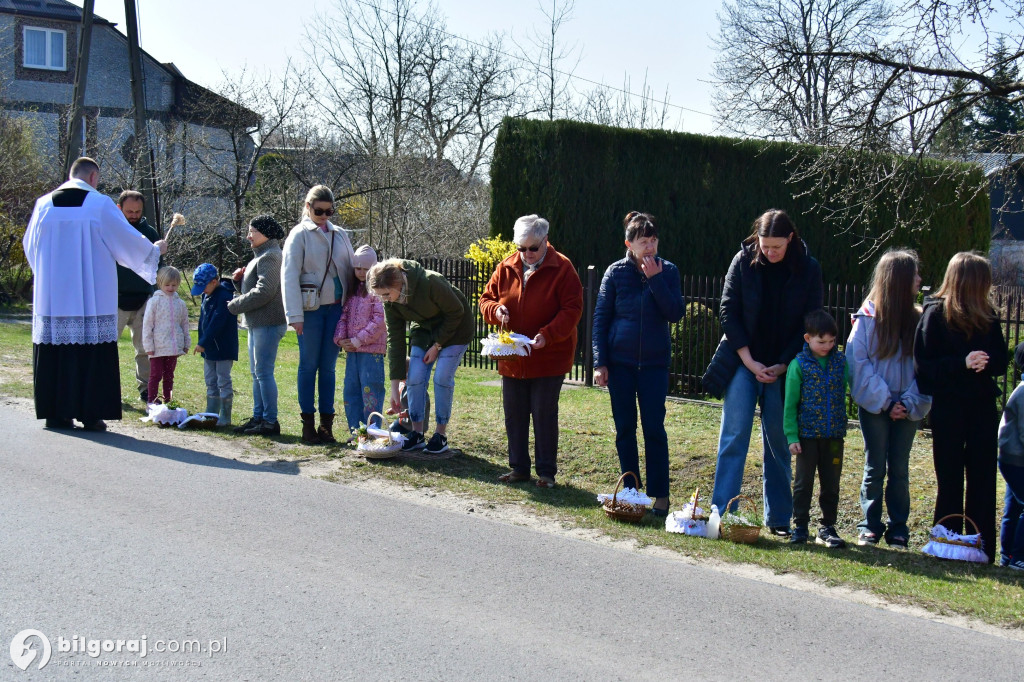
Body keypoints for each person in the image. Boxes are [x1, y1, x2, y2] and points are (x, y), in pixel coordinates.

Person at [22, 157, 167, 431]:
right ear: (92, 177)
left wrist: (48, 278)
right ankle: (90, 415)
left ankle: (56, 414)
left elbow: (30, 246)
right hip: (91, 298)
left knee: (56, 354)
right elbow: (126, 240)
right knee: (91, 353)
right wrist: (154, 250)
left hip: (52, 300)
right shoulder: (99, 204)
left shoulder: (43, 205)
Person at [705, 209, 823, 535]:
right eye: (764, 245)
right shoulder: (742, 262)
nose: (769, 252)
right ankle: (722, 514)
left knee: (779, 441)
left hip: (784, 368)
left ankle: (779, 519)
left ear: (790, 239)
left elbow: (811, 321)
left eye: (776, 247)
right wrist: (748, 360)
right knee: (733, 436)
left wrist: (784, 363)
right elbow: (728, 311)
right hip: (744, 362)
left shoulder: (809, 269)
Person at [914, 251, 1008, 564]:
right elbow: (924, 367)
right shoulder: (935, 313)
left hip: (981, 404)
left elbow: (1001, 357)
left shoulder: (987, 314)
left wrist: (986, 362)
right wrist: (962, 363)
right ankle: (947, 541)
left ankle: (981, 546)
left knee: (982, 477)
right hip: (949, 405)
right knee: (950, 476)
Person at [480, 214, 583, 488]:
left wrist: (547, 335)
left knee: (543, 413)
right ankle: (519, 469)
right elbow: (486, 299)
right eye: (521, 248)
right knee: (514, 414)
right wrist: (496, 310)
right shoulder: (506, 266)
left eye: (533, 248)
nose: (526, 254)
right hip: (513, 357)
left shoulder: (563, 268)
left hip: (548, 357)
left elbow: (572, 309)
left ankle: (546, 473)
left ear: (545, 240)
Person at [592, 211, 684, 515]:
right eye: (643, 241)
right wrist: (600, 362)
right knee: (625, 429)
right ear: (629, 243)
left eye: (653, 240)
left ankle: (660, 496)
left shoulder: (668, 271)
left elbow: (675, 313)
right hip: (620, 364)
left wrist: (656, 279)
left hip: (655, 366)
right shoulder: (615, 272)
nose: (650, 247)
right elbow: (600, 319)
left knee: (654, 429)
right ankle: (631, 491)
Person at [848, 249, 931, 549]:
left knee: (899, 467)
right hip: (875, 407)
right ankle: (869, 525)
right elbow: (858, 365)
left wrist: (907, 403)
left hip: (907, 407)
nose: (919, 279)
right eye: (914, 274)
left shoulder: (921, 320)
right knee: (875, 465)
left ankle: (899, 528)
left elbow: (926, 368)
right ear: (899, 280)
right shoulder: (867, 319)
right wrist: (885, 401)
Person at [367, 258, 474, 454]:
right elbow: (395, 339)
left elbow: (456, 312)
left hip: (456, 328)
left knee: (442, 377)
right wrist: (394, 387)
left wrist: (438, 345)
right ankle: (416, 433)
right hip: (424, 330)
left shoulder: (431, 282)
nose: (384, 299)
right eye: (380, 295)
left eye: (386, 294)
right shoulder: (390, 302)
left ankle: (440, 435)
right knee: (415, 377)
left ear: (398, 283)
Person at [281, 185, 355, 444]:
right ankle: (307, 425)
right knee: (308, 365)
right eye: (319, 211)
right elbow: (289, 276)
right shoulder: (298, 234)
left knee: (328, 368)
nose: (324, 216)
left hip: (336, 309)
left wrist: (353, 308)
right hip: (310, 310)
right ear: (308, 207)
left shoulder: (340, 234)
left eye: (329, 211)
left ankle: (326, 426)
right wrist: (295, 315)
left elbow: (351, 270)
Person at [783, 310, 850, 548]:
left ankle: (827, 526)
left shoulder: (840, 362)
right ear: (807, 338)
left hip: (834, 436)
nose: (827, 346)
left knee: (831, 484)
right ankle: (800, 525)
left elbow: (845, 388)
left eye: (832, 341)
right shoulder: (798, 365)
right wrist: (792, 436)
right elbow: (790, 404)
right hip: (807, 436)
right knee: (804, 483)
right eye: (821, 342)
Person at [229, 215, 287, 436]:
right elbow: (255, 287)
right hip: (257, 323)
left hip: (269, 323)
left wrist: (235, 305)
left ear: (266, 233)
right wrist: (238, 282)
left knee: (263, 372)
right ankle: (258, 417)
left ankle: (270, 422)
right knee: (257, 373)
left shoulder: (271, 256)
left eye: (252, 231)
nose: (248, 236)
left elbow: (265, 291)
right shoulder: (262, 255)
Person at [115, 190, 161, 403]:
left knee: (144, 348)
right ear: (119, 209)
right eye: (129, 211)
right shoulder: (113, 232)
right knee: (108, 347)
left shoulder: (150, 233)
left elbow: (158, 267)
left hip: (143, 299)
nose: (133, 215)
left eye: (137, 211)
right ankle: (106, 387)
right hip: (115, 299)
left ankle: (146, 389)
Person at [335, 245, 387, 433]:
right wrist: (341, 339)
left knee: (371, 391)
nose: (361, 273)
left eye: (366, 269)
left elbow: (380, 320)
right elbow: (344, 316)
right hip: (353, 352)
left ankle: (371, 430)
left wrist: (359, 340)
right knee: (351, 390)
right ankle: (356, 431)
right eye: (358, 268)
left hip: (371, 352)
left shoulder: (378, 292)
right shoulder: (353, 291)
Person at [192, 263, 238, 427]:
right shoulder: (207, 295)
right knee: (210, 380)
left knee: (223, 380)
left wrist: (203, 342)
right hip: (209, 348)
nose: (202, 291)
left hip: (223, 348)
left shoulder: (225, 296)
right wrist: (203, 341)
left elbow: (217, 323)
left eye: (204, 287)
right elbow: (203, 321)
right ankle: (211, 413)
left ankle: (225, 416)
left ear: (214, 282)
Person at [142, 266, 191, 405]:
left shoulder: (180, 303)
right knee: (156, 375)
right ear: (160, 283)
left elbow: (185, 324)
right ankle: (152, 402)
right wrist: (148, 346)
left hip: (173, 347)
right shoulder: (154, 302)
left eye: (174, 285)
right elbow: (147, 325)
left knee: (169, 376)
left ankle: (168, 402)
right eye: (167, 285)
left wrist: (186, 343)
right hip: (157, 347)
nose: (170, 288)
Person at [998, 343, 1024, 570]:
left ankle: (1007, 556)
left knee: (1013, 508)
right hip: (1017, 459)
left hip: (1011, 458)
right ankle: (1019, 557)